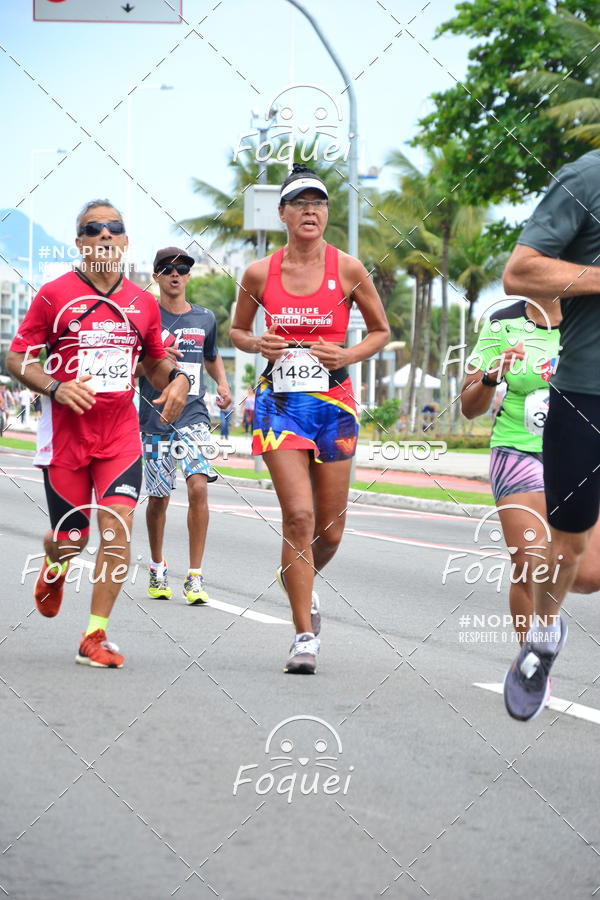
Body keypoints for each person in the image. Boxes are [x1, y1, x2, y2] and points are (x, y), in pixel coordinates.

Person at [6, 200, 190, 668]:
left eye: (115, 228)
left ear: (126, 242)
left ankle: (94, 635)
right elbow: (16, 357)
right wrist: (55, 386)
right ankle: (54, 564)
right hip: (66, 439)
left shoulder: (143, 303)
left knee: (116, 527)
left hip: (119, 436)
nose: (105, 234)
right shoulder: (54, 295)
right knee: (72, 539)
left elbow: (152, 362)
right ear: (81, 243)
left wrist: (178, 380)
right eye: (94, 228)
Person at [230, 163, 390, 674]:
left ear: (327, 214)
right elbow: (236, 330)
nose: (310, 211)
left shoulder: (348, 269)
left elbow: (381, 331)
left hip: (334, 407)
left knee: (331, 532)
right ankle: (303, 635)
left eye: (318, 203)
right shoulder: (260, 273)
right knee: (297, 518)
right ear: (282, 213)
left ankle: (301, 580)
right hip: (279, 406)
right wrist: (256, 342)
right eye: (299, 203)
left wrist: (348, 355)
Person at [502, 148, 600, 720]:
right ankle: (541, 635)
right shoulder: (586, 178)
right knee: (574, 562)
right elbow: (521, 271)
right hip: (586, 394)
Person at [461, 298, 600, 686]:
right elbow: (469, 407)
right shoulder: (503, 323)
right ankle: (534, 663)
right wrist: (491, 376)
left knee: (589, 576)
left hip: (580, 450)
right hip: (518, 450)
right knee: (529, 561)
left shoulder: (588, 320)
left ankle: (547, 626)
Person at [138, 246, 232, 605]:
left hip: (194, 416)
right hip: (154, 417)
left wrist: (222, 384)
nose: (175, 274)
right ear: (156, 276)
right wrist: (157, 360)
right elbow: (132, 369)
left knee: (198, 487)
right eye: (167, 269)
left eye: (182, 269)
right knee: (159, 498)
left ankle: (195, 576)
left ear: (189, 276)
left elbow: (211, 356)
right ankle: (158, 566)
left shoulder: (205, 318)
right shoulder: (146, 319)